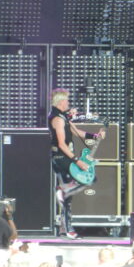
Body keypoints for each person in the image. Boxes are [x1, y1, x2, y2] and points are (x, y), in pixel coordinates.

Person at [48, 88, 104, 239]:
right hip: (60, 158)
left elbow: (75, 131)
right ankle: (68, 229)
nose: (68, 103)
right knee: (82, 183)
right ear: (60, 102)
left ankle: (63, 228)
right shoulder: (57, 119)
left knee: (70, 195)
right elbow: (61, 144)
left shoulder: (63, 117)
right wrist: (77, 161)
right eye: (66, 100)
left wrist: (94, 135)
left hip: (66, 157)